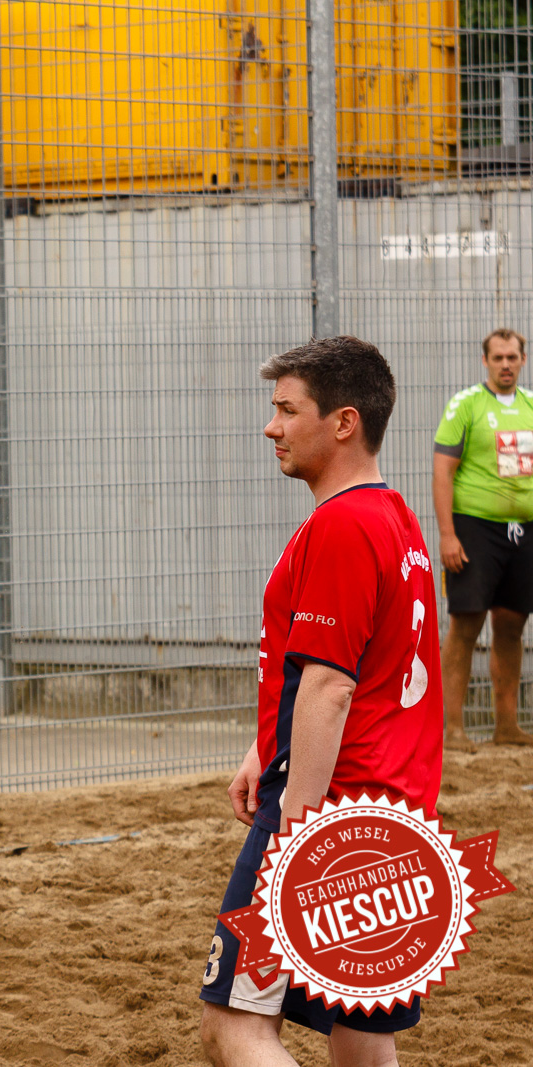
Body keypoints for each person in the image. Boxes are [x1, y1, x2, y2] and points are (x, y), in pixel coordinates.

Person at [199, 337, 443, 1067]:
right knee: (361, 1032)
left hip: (330, 815)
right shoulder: (394, 516)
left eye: (286, 409)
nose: (271, 426)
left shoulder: (341, 524)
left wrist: (295, 838)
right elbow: (358, 666)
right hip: (394, 814)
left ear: (342, 422)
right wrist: (263, 746)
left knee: (233, 1025)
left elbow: (332, 687)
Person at [432, 327, 533, 751]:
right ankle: (451, 729)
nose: (506, 364)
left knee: (511, 626)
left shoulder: (531, 406)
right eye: (498, 358)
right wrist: (447, 535)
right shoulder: (465, 405)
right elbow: (443, 471)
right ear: (485, 361)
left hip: (524, 532)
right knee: (465, 625)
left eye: (513, 357)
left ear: (523, 360)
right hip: (474, 528)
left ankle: (505, 726)